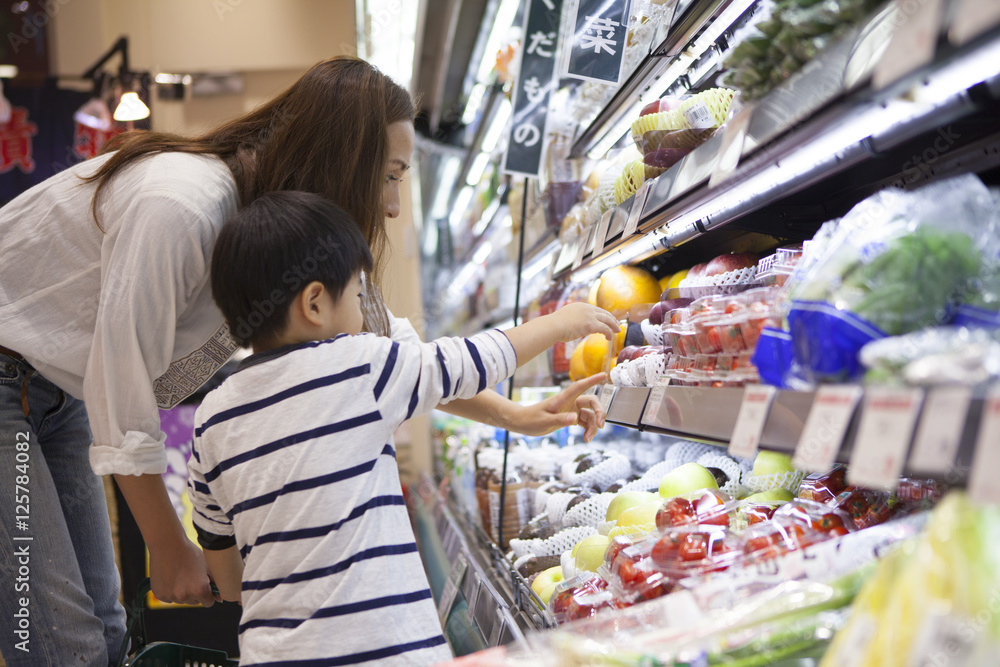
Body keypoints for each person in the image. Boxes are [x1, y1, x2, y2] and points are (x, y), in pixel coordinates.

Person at [0, 56, 610, 665]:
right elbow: (119, 374)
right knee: (59, 639)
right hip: (9, 374)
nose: (393, 204)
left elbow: (396, 353)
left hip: (57, 390)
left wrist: (520, 416)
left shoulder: (285, 243)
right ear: (345, 160)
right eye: (392, 175)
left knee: (101, 625)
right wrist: (166, 544)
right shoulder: (183, 206)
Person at [187, 191, 619, 665]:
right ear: (314, 302)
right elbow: (466, 362)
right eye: (357, 294)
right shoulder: (358, 366)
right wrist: (561, 322)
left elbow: (223, 568)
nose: (363, 310)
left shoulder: (213, 416)